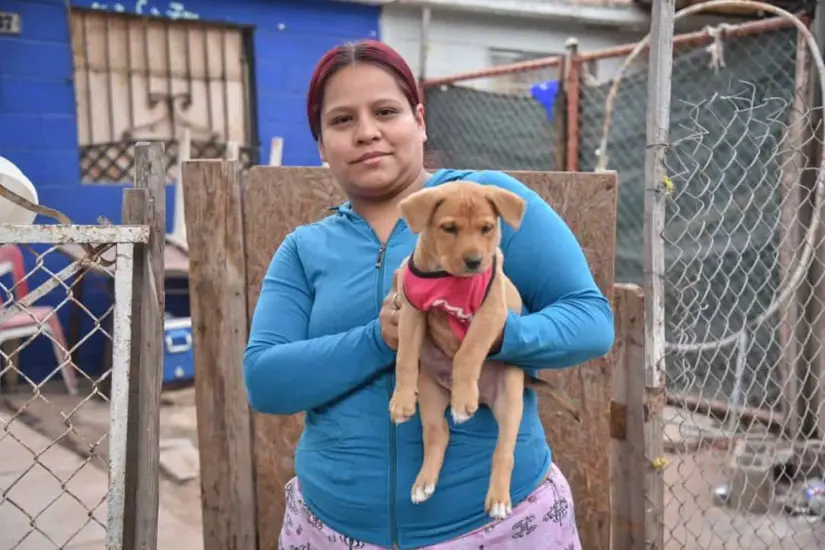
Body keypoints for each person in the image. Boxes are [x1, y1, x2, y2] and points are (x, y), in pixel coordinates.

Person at [243, 39, 614, 550]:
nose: (367, 132)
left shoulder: (482, 204)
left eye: (386, 111)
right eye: (342, 120)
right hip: (330, 531)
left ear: (420, 120)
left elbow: (591, 321)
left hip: (501, 529)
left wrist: (494, 333)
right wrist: (379, 339)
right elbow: (266, 382)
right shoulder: (305, 249)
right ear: (322, 144)